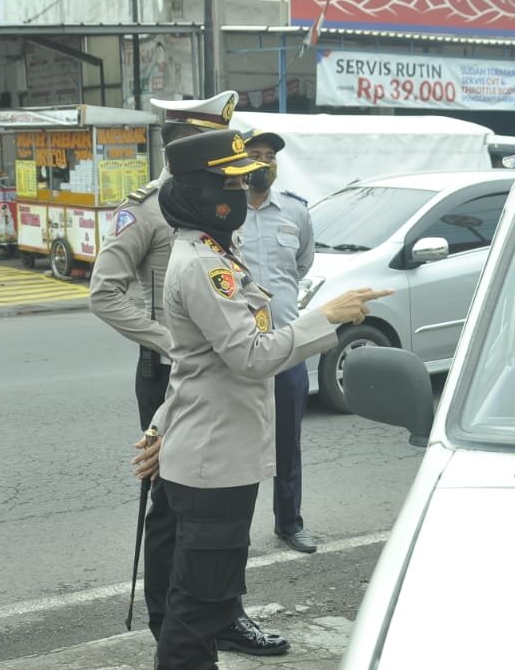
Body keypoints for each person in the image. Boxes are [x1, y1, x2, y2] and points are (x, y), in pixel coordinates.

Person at [132, 129, 391, 670]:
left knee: (200, 597)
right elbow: (249, 356)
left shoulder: (214, 250)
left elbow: (191, 364)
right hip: (215, 464)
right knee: (198, 607)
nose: (244, 191)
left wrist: (162, 427)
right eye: (233, 182)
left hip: (206, 451)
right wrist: (329, 317)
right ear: (203, 192)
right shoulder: (206, 264)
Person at [89, 91, 290, 656]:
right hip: (174, 371)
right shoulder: (150, 206)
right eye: (208, 136)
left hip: (212, 372)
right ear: (180, 142)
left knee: (216, 516)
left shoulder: (218, 202)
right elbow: (105, 292)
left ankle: (221, 612)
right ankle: (177, 623)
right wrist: (173, 344)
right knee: (177, 510)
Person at [238, 129, 318, 554]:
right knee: (239, 443)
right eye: (256, 154)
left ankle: (290, 523)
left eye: (270, 156)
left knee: (288, 442)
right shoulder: (225, 210)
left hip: (286, 343)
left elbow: (302, 264)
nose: (264, 162)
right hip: (240, 348)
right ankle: (235, 530)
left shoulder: (295, 212)